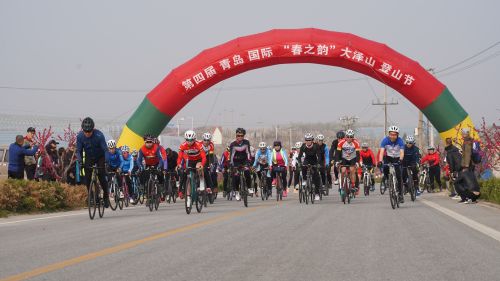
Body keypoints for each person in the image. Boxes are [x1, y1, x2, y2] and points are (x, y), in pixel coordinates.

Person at [76, 117, 110, 207]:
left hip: (100, 157)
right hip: (89, 157)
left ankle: (106, 196)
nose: (87, 133)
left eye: (89, 131)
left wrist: (106, 162)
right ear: (83, 130)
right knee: (87, 178)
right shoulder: (80, 136)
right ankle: (91, 196)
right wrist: (80, 161)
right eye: (85, 131)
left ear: (93, 129)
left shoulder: (99, 135)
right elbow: (78, 151)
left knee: (102, 176)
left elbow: (106, 150)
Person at [177, 130, 207, 204]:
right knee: (187, 175)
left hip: (198, 159)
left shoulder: (198, 144)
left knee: (198, 167)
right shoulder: (183, 145)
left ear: (194, 139)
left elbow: (204, 157)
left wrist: (202, 165)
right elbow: (180, 157)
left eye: (191, 140)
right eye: (187, 140)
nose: (189, 142)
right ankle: (188, 196)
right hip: (190, 161)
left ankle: (202, 181)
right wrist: (179, 164)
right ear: (185, 139)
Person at [378, 126, 405, 203]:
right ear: (389, 134)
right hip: (388, 157)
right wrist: (380, 161)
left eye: (394, 135)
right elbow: (382, 152)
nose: (393, 136)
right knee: (385, 168)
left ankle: (400, 195)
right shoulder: (385, 140)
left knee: (399, 176)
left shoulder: (400, 141)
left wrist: (400, 160)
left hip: (397, 158)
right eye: (391, 134)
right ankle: (387, 179)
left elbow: (402, 152)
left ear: (397, 135)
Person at [229, 128, 252, 201]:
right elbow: (231, 156)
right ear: (236, 135)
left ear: (243, 136)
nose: (240, 137)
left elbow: (248, 153)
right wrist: (232, 165)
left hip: (244, 160)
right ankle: (237, 192)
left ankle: (249, 188)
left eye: (241, 136)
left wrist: (249, 162)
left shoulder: (246, 142)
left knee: (247, 172)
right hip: (236, 161)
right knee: (236, 177)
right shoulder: (233, 144)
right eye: (238, 135)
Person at [335, 129, 361, 195]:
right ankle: (342, 186)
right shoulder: (341, 143)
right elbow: (337, 153)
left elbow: (358, 154)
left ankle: (353, 185)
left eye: (351, 137)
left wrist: (357, 162)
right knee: (343, 171)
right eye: (348, 136)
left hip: (352, 158)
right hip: (344, 158)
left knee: (352, 170)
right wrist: (337, 161)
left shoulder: (356, 143)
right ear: (345, 137)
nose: (349, 138)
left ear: (353, 137)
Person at [298, 133, 322, 201]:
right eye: (307, 140)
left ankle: (317, 194)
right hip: (307, 159)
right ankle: (305, 180)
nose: (308, 141)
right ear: (305, 140)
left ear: (312, 140)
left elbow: (319, 156)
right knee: (303, 167)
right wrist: (299, 163)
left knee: (316, 176)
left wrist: (318, 164)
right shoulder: (303, 146)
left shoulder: (316, 146)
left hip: (314, 160)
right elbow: (299, 156)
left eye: (309, 140)